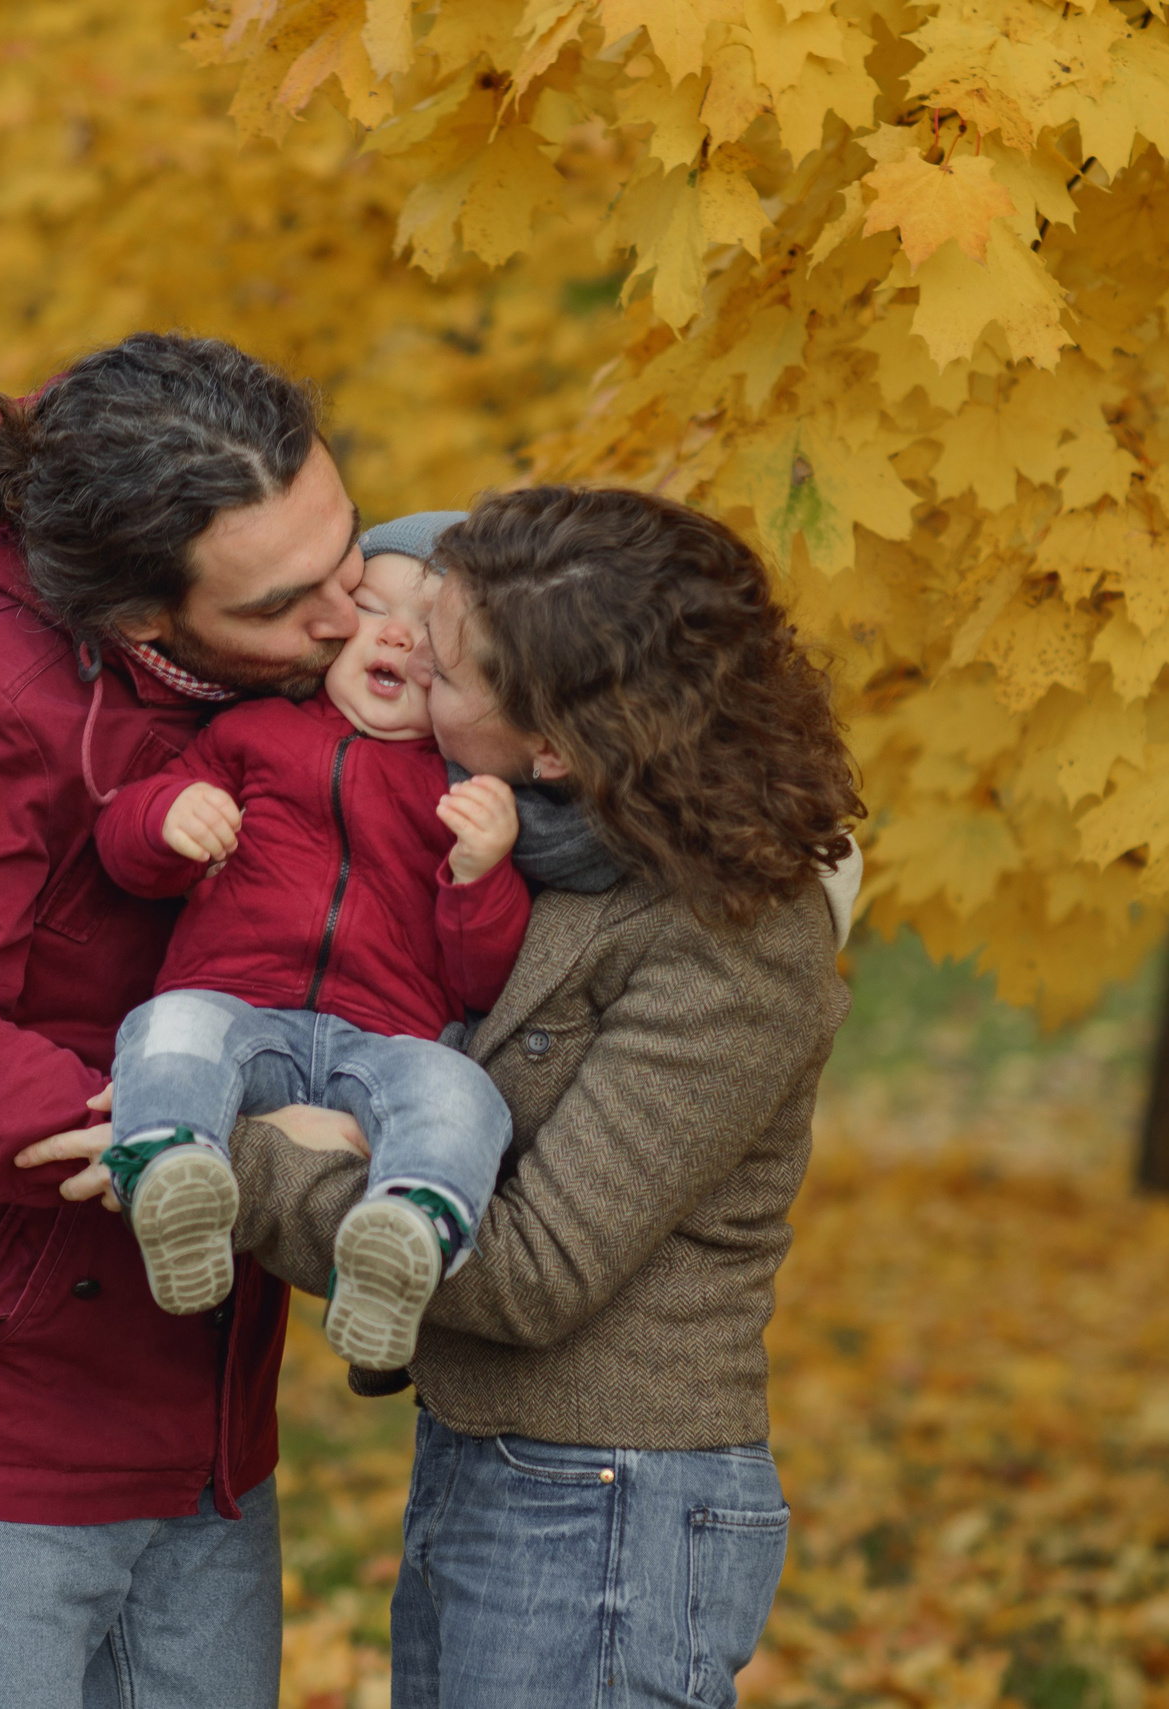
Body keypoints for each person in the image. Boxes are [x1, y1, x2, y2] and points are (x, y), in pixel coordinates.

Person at [228, 486, 864, 1707]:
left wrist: (266, 1162)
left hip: (608, 1502)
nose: (413, 659)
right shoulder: (548, 848)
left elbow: (534, 1269)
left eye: (452, 665)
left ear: (558, 742)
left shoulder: (733, 940)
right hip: (510, 1461)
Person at [0, 332, 369, 1709]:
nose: (348, 618)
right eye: (288, 601)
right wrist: (203, 1143)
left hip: (207, 1422)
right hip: (1, 1423)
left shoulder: (293, 675)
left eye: (346, 549)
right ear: (142, 619)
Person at [91, 540, 531, 1370]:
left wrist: (481, 875)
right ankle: (168, 1169)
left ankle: (406, 1233)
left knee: (460, 1087)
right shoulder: (248, 732)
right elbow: (123, 849)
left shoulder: (458, 791)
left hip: (385, 1041)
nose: (397, 636)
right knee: (170, 1026)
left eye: (429, 631)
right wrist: (168, 816)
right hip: (236, 1006)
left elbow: (485, 983)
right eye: (372, 610)